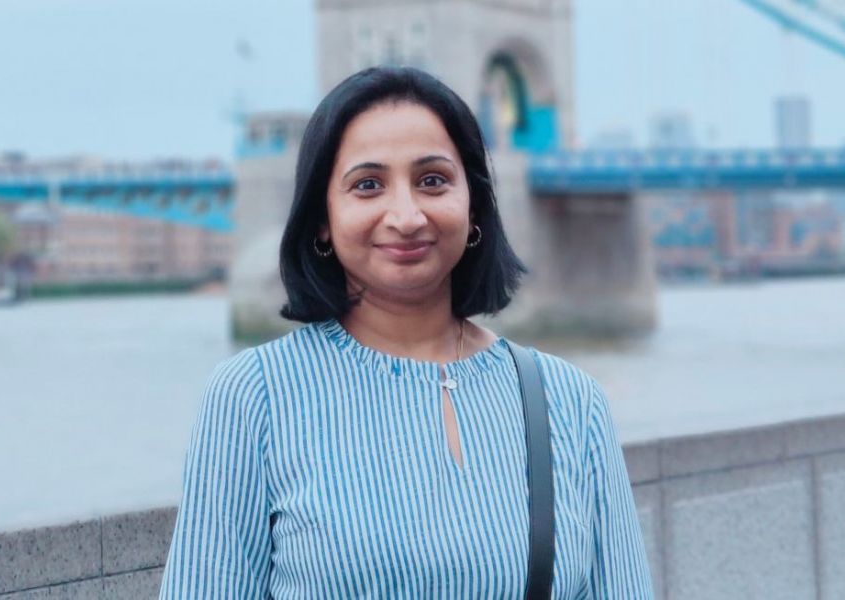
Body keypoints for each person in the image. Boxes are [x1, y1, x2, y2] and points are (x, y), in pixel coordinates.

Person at [159, 66, 653, 599]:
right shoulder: (253, 396)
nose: (406, 215)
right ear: (322, 216)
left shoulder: (572, 402)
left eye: (433, 180)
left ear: (474, 202)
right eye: (368, 185)